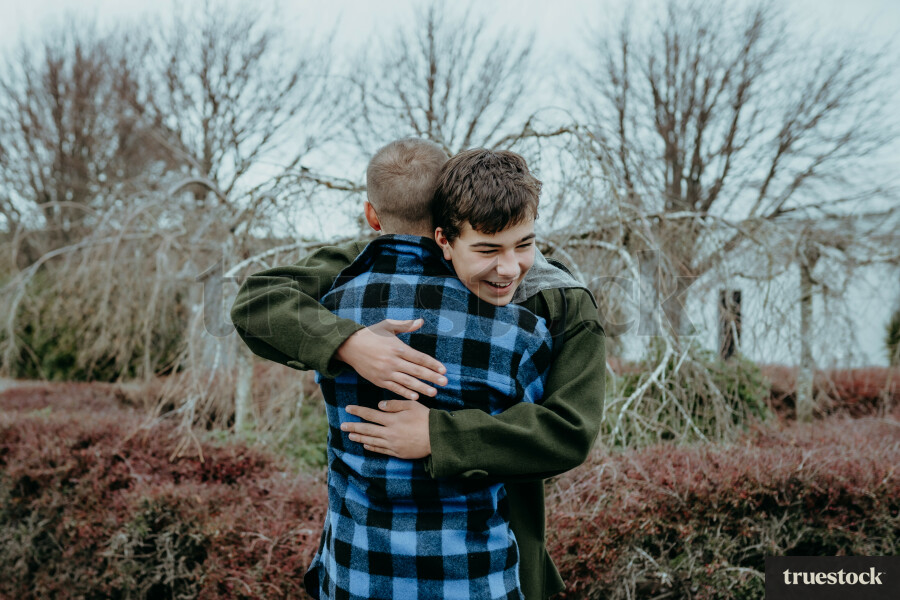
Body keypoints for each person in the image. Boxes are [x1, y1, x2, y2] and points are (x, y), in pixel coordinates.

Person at [231, 139, 606, 599]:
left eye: (524, 244)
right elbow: (257, 302)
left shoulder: (560, 302)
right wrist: (351, 343)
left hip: (455, 560)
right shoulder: (360, 272)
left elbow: (567, 431)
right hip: (453, 570)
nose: (508, 268)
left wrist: (439, 434)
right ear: (444, 234)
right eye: (487, 249)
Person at [306, 144, 553, 599]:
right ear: (446, 221)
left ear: (371, 215)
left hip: (357, 574)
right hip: (474, 579)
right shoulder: (523, 334)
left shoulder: (330, 311)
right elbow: (534, 448)